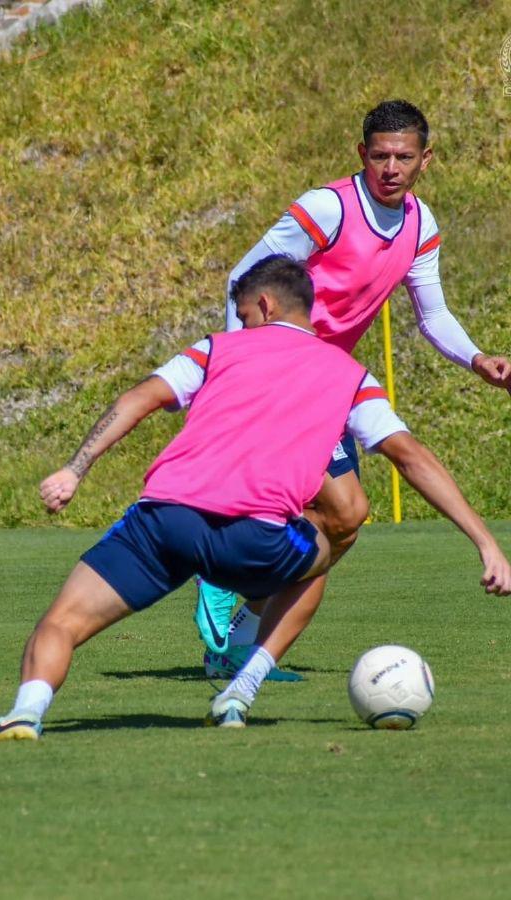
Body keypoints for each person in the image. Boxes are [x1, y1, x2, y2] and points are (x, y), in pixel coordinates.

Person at [0, 256, 510, 740]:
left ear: (263, 305)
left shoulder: (215, 350)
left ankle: (24, 714)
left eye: (242, 314)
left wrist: (75, 467)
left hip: (162, 523)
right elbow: (409, 456)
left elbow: (140, 397)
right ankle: (239, 690)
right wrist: (485, 542)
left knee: (61, 622)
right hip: (254, 540)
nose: (239, 324)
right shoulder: (349, 375)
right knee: (330, 542)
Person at [194, 99, 511, 680]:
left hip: (330, 378)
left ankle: (237, 634)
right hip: (281, 370)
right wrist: (245, 366)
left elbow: (433, 314)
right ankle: (223, 574)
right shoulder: (328, 207)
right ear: (361, 154)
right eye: (381, 155)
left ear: (425, 160)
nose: (391, 167)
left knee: (344, 520)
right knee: (334, 505)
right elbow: (245, 280)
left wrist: (477, 359)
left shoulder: (421, 225)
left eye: (404, 157)